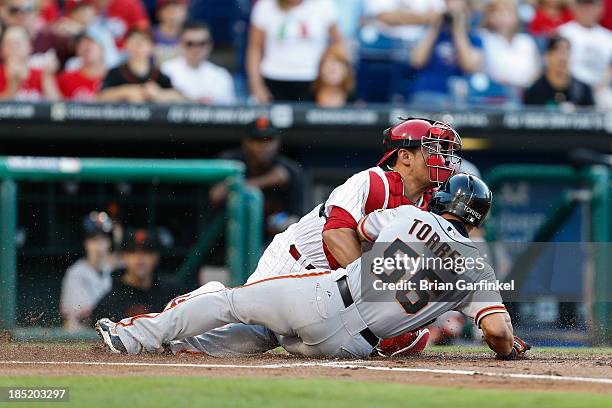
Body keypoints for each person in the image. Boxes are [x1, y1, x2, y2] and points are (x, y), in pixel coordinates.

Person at [96, 174, 531, 362]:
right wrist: (509, 349)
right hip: (346, 348)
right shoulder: (478, 266)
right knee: (269, 338)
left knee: (229, 302)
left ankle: (132, 337)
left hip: (323, 299)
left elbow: (358, 228)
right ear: (480, 218)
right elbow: (496, 331)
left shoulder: (407, 215)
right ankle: (177, 347)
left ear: (441, 201)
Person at [142, 117, 463, 358]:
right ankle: (190, 308)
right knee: (255, 321)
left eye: (446, 152)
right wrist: (371, 292)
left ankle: (188, 346)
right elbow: (336, 234)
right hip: (297, 261)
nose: (444, 160)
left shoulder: (425, 204)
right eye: (434, 151)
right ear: (405, 156)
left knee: (269, 337)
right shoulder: (371, 182)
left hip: (332, 284)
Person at [209, 117, 305, 241]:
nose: (263, 146)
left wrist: (284, 224)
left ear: (277, 142)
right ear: (246, 142)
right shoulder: (230, 162)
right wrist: (266, 180)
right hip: (227, 240)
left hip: (271, 241)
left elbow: (297, 218)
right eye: (258, 140)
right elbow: (215, 196)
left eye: (268, 140)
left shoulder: (290, 170)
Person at [246, 0, 343, 103]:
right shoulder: (265, 6)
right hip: (274, 78)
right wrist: (256, 85)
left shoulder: (323, 4)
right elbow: (254, 48)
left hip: (313, 79)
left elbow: (338, 42)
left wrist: (331, 80)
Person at [92, 228, 177, 322]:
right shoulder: (110, 300)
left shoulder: (171, 292)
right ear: (124, 257)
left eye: (146, 252)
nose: (139, 259)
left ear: (156, 257)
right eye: (132, 252)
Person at [410, 0, 484, 104]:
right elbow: (417, 61)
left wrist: (458, 30)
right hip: (427, 92)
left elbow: (469, 66)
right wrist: (434, 26)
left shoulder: (474, 38)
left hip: (457, 93)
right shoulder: (430, 34)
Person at [60, 211, 114, 331]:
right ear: (85, 243)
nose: (99, 246)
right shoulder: (76, 273)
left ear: (109, 243)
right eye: (93, 240)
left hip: (103, 340)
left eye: (103, 239)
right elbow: (85, 318)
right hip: (80, 339)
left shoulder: (109, 270)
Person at [97, 28, 184, 103]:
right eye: (134, 41)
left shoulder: (158, 74)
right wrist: (124, 91)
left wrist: (159, 94)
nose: (138, 46)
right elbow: (100, 97)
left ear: (151, 47)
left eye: (143, 42)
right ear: (126, 45)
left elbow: (179, 97)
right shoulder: (115, 73)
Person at [161, 21, 236, 105]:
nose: (196, 49)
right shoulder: (167, 70)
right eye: (190, 44)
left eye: (201, 43)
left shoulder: (221, 75)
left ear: (210, 45)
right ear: (180, 44)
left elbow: (229, 112)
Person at [480, 0, 540, 89]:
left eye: (508, 11)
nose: (503, 15)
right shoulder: (483, 37)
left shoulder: (526, 41)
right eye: (497, 11)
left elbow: (537, 71)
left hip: (526, 91)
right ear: (489, 16)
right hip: (494, 93)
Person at [524, 35, 594, 106]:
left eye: (567, 51)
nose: (563, 57)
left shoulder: (582, 89)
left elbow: (592, 115)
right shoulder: (535, 91)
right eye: (558, 51)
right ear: (547, 56)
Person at [0, 0, 72, 68]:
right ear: (4, 13)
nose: (21, 15)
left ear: (36, 12)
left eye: (27, 9)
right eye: (14, 10)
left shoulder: (51, 37)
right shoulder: (1, 39)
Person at [557, 0, 612, 87]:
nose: (587, 10)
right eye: (583, 5)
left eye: (592, 6)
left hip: (601, 88)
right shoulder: (563, 32)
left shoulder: (609, 37)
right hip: (570, 87)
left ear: (600, 8)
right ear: (575, 8)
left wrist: (600, 86)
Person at [54, 0, 121, 70]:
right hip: (75, 63)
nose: (86, 15)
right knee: (72, 64)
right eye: (83, 12)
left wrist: (80, 29)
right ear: (73, 14)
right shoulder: (65, 26)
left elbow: (111, 57)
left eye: (89, 12)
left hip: (106, 63)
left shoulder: (100, 31)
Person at [0, 25, 60, 101]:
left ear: (30, 47)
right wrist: (13, 84)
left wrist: (47, 78)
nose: (14, 47)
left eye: (18, 43)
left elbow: (57, 107)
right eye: (9, 43)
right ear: (1, 49)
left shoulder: (41, 74)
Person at [364, 0, 446, 42]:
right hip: (385, 48)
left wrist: (400, 16)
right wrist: (423, 17)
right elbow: (385, 18)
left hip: (419, 49)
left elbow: (436, 16)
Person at [58, 33, 106, 101]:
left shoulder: (116, 76)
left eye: (90, 42)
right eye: (80, 45)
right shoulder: (67, 78)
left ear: (102, 48)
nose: (86, 46)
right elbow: (56, 105)